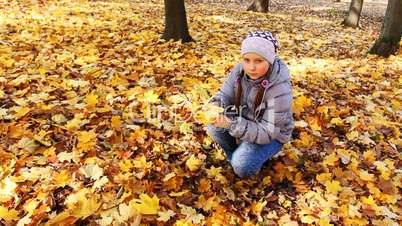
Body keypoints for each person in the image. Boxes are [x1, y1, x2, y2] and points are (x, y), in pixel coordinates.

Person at [207, 31, 294, 178]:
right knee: (214, 127)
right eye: (246, 60)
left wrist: (231, 124)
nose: (251, 67)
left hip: (272, 134)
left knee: (242, 166)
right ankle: (235, 155)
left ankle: (247, 162)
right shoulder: (239, 71)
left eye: (259, 61)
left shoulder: (279, 88)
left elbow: (267, 132)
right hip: (246, 121)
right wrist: (215, 106)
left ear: (270, 60)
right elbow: (225, 94)